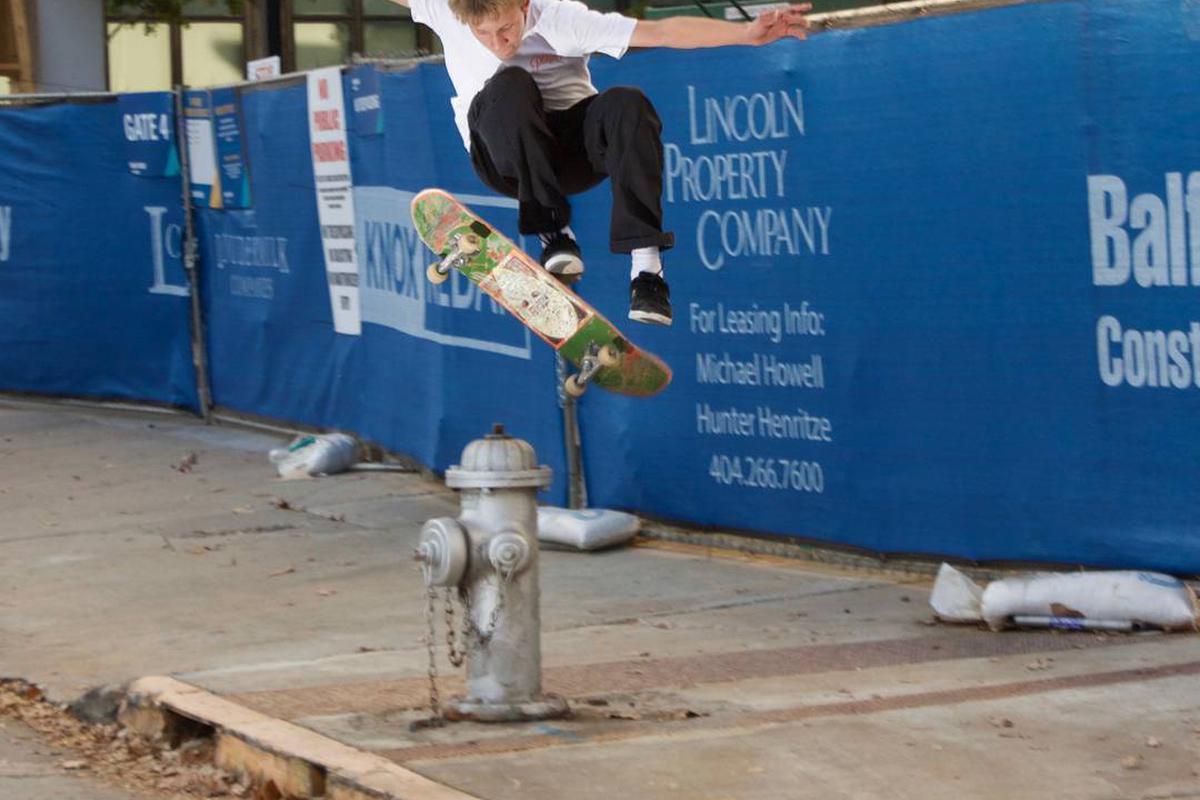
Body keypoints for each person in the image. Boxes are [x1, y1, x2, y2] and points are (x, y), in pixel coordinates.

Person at [391, 0, 812, 325]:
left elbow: (661, 31)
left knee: (627, 103)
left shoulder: (561, 17)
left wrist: (745, 33)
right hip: (502, 157)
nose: (500, 43)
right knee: (510, 82)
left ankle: (647, 274)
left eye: (506, 29)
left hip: (572, 155)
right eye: (484, 34)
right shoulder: (445, 8)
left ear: (524, 5)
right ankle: (553, 231)